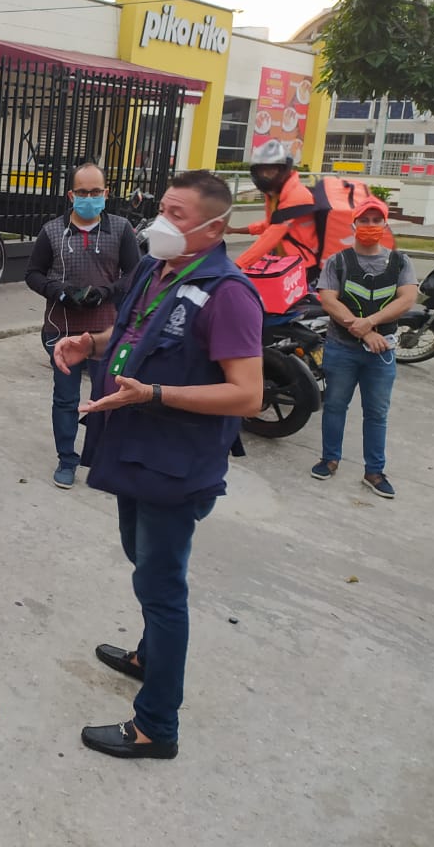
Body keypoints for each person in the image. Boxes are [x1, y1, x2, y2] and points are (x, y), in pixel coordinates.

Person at [52, 170, 263, 760]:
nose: (162, 223)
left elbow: (247, 394)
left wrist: (156, 395)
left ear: (216, 228)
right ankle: (149, 655)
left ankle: (156, 727)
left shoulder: (229, 294)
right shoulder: (153, 267)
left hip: (176, 464)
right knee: (138, 558)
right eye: (163, 209)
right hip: (131, 450)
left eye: (179, 215)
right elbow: (131, 333)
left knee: (162, 586)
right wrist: (88, 345)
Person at [25, 163, 140, 489]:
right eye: (83, 193)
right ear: (71, 195)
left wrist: (107, 292)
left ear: (106, 194)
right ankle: (67, 459)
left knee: (110, 394)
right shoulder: (51, 232)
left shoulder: (121, 229)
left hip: (108, 332)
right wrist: (58, 291)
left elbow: (135, 274)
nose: (89, 198)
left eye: (95, 192)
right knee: (65, 398)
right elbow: (33, 273)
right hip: (61, 329)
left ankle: (106, 455)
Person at [311, 202, 417, 498]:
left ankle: (374, 471)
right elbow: (329, 300)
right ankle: (329, 459)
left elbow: (407, 298)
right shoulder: (338, 261)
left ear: (385, 225)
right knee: (334, 406)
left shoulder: (400, 262)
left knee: (376, 413)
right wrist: (365, 332)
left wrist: (369, 324)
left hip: (381, 353)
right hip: (341, 348)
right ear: (353, 225)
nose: (370, 224)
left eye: (376, 219)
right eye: (365, 219)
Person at [227, 139, 323, 277]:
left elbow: (272, 234)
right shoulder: (275, 194)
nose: (265, 176)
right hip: (282, 262)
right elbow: (268, 225)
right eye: (262, 171)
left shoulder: (297, 195)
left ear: (284, 170)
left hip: (302, 266)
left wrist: (237, 265)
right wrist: (234, 230)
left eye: (271, 171)